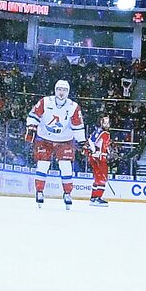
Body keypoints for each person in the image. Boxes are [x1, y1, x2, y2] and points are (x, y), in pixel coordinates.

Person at [26, 79, 87, 209]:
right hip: (44, 138)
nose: (61, 92)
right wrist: (31, 127)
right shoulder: (45, 101)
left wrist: (82, 141)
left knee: (66, 166)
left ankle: (67, 193)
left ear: (68, 92)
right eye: (59, 89)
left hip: (65, 140)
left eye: (64, 90)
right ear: (55, 90)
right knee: (43, 164)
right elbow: (33, 115)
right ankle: (40, 191)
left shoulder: (73, 107)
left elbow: (78, 126)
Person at [86, 113, 112, 207]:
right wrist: (94, 151)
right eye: (105, 123)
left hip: (100, 157)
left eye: (108, 123)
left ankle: (94, 198)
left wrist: (108, 151)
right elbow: (91, 140)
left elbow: (104, 145)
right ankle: (97, 198)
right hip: (99, 158)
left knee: (98, 178)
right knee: (101, 179)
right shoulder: (102, 132)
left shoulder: (103, 132)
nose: (107, 125)